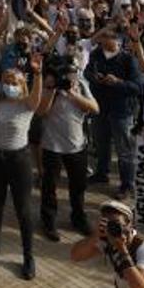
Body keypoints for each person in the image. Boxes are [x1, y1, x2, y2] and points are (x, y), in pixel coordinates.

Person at [0, 52, 44, 278]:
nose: (10, 86)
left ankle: (28, 256)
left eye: (14, 83)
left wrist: (37, 73)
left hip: (19, 160)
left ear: (22, 85)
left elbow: (37, 94)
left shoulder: (27, 103)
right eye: (6, 82)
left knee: (23, 210)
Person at [37, 52, 99, 241]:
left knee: (78, 186)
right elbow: (41, 112)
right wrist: (52, 89)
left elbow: (95, 108)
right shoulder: (48, 86)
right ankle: (48, 221)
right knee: (49, 186)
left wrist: (73, 94)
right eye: (67, 73)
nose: (70, 76)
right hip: (52, 145)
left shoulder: (80, 85)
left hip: (77, 145)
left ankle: (78, 218)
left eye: (73, 72)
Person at [85, 30, 142, 199]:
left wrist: (118, 82)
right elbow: (87, 72)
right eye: (103, 43)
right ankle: (102, 173)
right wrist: (95, 77)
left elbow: (137, 87)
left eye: (109, 44)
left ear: (118, 43)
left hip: (121, 111)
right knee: (101, 143)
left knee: (124, 149)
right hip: (100, 108)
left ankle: (127, 184)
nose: (105, 47)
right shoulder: (96, 55)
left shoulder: (128, 60)